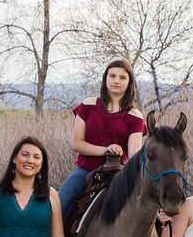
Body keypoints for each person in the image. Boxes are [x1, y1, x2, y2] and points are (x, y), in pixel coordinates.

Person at [57, 58, 147, 222]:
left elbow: (134, 156)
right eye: (112, 76)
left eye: (122, 77)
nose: (116, 81)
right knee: (57, 208)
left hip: (118, 175)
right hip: (85, 171)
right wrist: (105, 150)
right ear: (105, 78)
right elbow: (76, 143)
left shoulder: (135, 117)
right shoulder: (88, 105)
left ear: (129, 83)